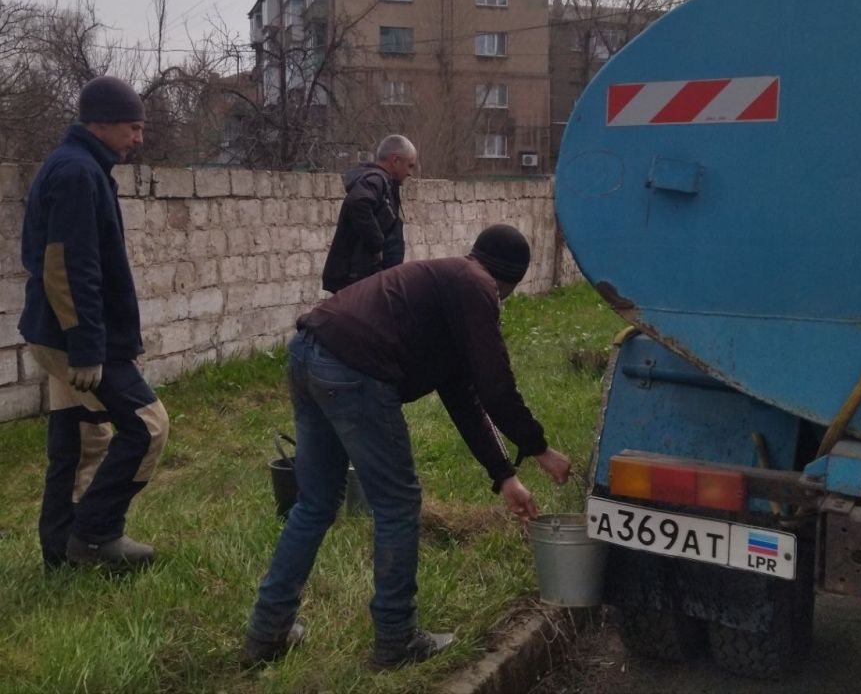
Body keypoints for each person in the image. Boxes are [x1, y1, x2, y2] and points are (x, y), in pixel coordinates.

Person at [242, 224, 572, 669]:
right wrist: (540, 449)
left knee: (315, 503)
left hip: (309, 350)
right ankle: (397, 639)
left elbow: (465, 397)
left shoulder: (450, 285)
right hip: (354, 368)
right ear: (510, 280)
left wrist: (504, 476)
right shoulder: (478, 288)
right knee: (397, 504)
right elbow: (496, 387)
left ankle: (267, 632)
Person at [19, 76, 170, 571]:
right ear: (102, 123)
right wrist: (87, 347)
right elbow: (66, 266)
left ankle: (60, 551)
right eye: (133, 127)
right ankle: (96, 536)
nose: (139, 138)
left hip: (55, 331)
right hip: (74, 338)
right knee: (148, 426)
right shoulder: (76, 173)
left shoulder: (79, 166)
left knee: (82, 441)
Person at [321, 134, 416, 293]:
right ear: (395, 160)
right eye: (409, 165)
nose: (410, 173)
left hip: (365, 278)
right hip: (356, 279)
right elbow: (358, 202)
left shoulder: (382, 182)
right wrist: (377, 244)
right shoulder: (375, 180)